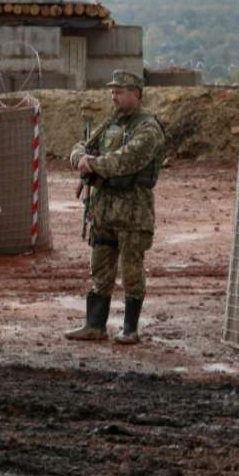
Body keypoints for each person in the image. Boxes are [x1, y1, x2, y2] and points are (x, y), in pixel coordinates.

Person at [64, 70, 165, 344]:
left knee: (131, 272)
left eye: (120, 91)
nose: (114, 96)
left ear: (136, 94)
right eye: (112, 91)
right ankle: (94, 325)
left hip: (132, 213)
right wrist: (80, 159)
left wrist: (92, 164)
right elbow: (80, 146)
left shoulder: (148, 128)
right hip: (104, 210)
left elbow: (127, 159)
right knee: (100, 269)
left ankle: (130, 329)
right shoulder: (110, 124)